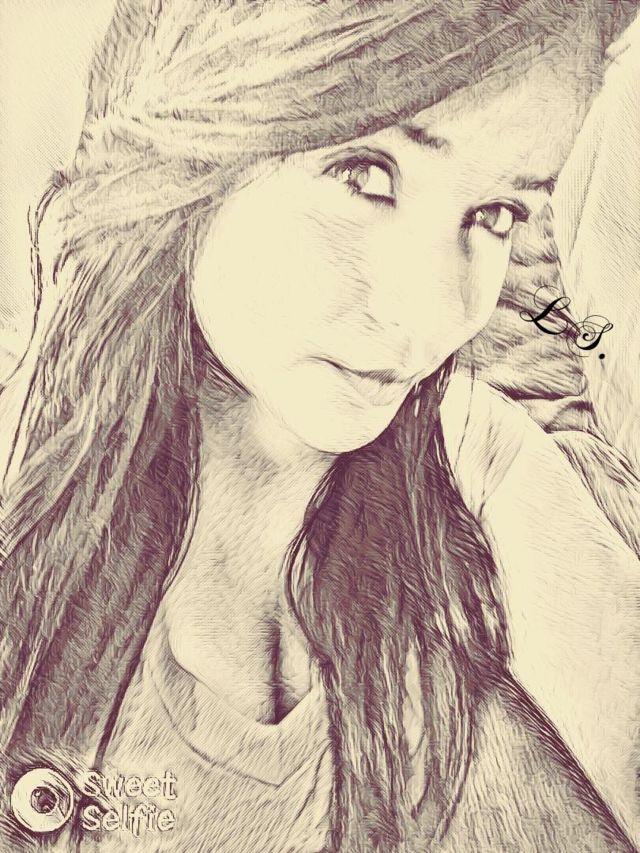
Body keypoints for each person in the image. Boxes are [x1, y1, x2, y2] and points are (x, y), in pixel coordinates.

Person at [0, 1, 637, 851]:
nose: (433, 310)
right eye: (364, 175)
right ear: (195, 146)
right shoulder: (29, 538)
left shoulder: (492, 485)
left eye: (495, 214)